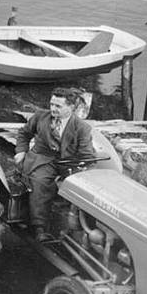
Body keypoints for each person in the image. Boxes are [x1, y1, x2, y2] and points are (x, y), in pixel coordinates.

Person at [13, 88, 95, 240]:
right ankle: (39, 227)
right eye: (51, 104)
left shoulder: (82, 128)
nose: (53, 109)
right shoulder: (40, 117)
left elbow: (87, 155)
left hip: (68, 163)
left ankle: (80, 226)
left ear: (71, 107)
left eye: (58, 106)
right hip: (42, 159)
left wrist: (79, 169)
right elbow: (24, 134)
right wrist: (21, 151)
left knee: (83, 189)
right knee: (41, 182)